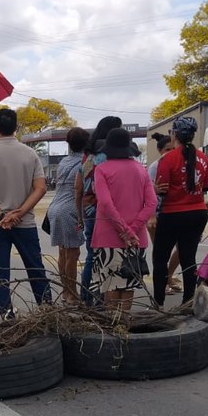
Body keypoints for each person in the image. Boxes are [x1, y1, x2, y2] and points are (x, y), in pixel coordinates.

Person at [0, 108, 51, 318]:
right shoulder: (30, 154)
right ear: (16, 127)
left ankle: (7, 314)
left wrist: (1, 215)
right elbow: (40, 188)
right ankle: (47, 311)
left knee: (0, 272)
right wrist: (19, 213)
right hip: (24, 223)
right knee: (35, 268)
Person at [90, 128, 157, 318]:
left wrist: (123, 230)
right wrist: (132, 230)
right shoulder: (141, 169)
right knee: (128, 283)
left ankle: (112, 328)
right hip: (136, 238)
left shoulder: (102, 169)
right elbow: (152, 203)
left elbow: (105, 203)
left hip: (108, 236)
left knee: (110, 284)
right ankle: (124, 324)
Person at [152, 117, 208, 306]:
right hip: (198, 212)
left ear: (173, 134)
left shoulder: (168, 159)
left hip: (172, 213)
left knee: (160, 258)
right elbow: (206, 186)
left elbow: (162, 189)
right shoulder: (203, 157)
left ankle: (159, 301)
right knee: (189, 258)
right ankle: (188, 300)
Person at [74, 115, 121, 304]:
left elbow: (78, 189)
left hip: (89, 211)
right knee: (107, 257)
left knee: (92, 256)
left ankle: (87, 298)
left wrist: (80, 215)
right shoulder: (107, 157)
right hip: (104, 211)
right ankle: (101, 298)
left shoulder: (88, 157)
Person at [46, 127, 87, 301]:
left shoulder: (64, 162)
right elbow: (79, 190)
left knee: (63, 252)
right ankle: (72, 294)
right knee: (73, 253)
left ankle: (65, 292)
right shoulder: (85, 163)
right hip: (70, 208)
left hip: (55, 207)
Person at [147, 133, 181, 296]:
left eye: (173, 149)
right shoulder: (155, 167)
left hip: (174, 213)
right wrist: (152, 215)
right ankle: (163, 282)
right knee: (160, 252)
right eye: (167, 149)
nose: (171, 152)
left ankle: (168, 276)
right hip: (157, 214)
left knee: (182, 248)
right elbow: (148, 192)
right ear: (160, 150)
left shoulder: (178, 164)